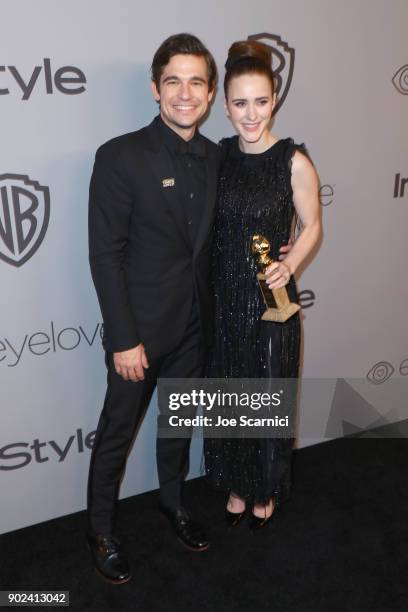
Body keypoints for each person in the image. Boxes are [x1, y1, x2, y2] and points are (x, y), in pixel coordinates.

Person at [86, 33, 220, 584]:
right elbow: (105, 254)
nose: (184, 94)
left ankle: (173, 502)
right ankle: (99, 529)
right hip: (138, 332)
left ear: (210, 94)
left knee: (179, 425)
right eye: (173, 81)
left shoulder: (218, 158)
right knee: (118, 430)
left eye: (196, 82)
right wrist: (122, 338)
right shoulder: (119, 155)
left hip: (195, 325)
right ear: (155, 88)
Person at [204, 40, 321, 529]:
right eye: (239, 103)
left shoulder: (293, 160)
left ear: (274, 99)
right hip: (223, 298)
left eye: (260, 101)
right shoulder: (218, 157)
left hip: (271, 302)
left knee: (267, 393)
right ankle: (237, 481)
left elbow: (312, 225)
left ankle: (266, 488)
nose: (250, 114)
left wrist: (290, 265)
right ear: (224, 105)